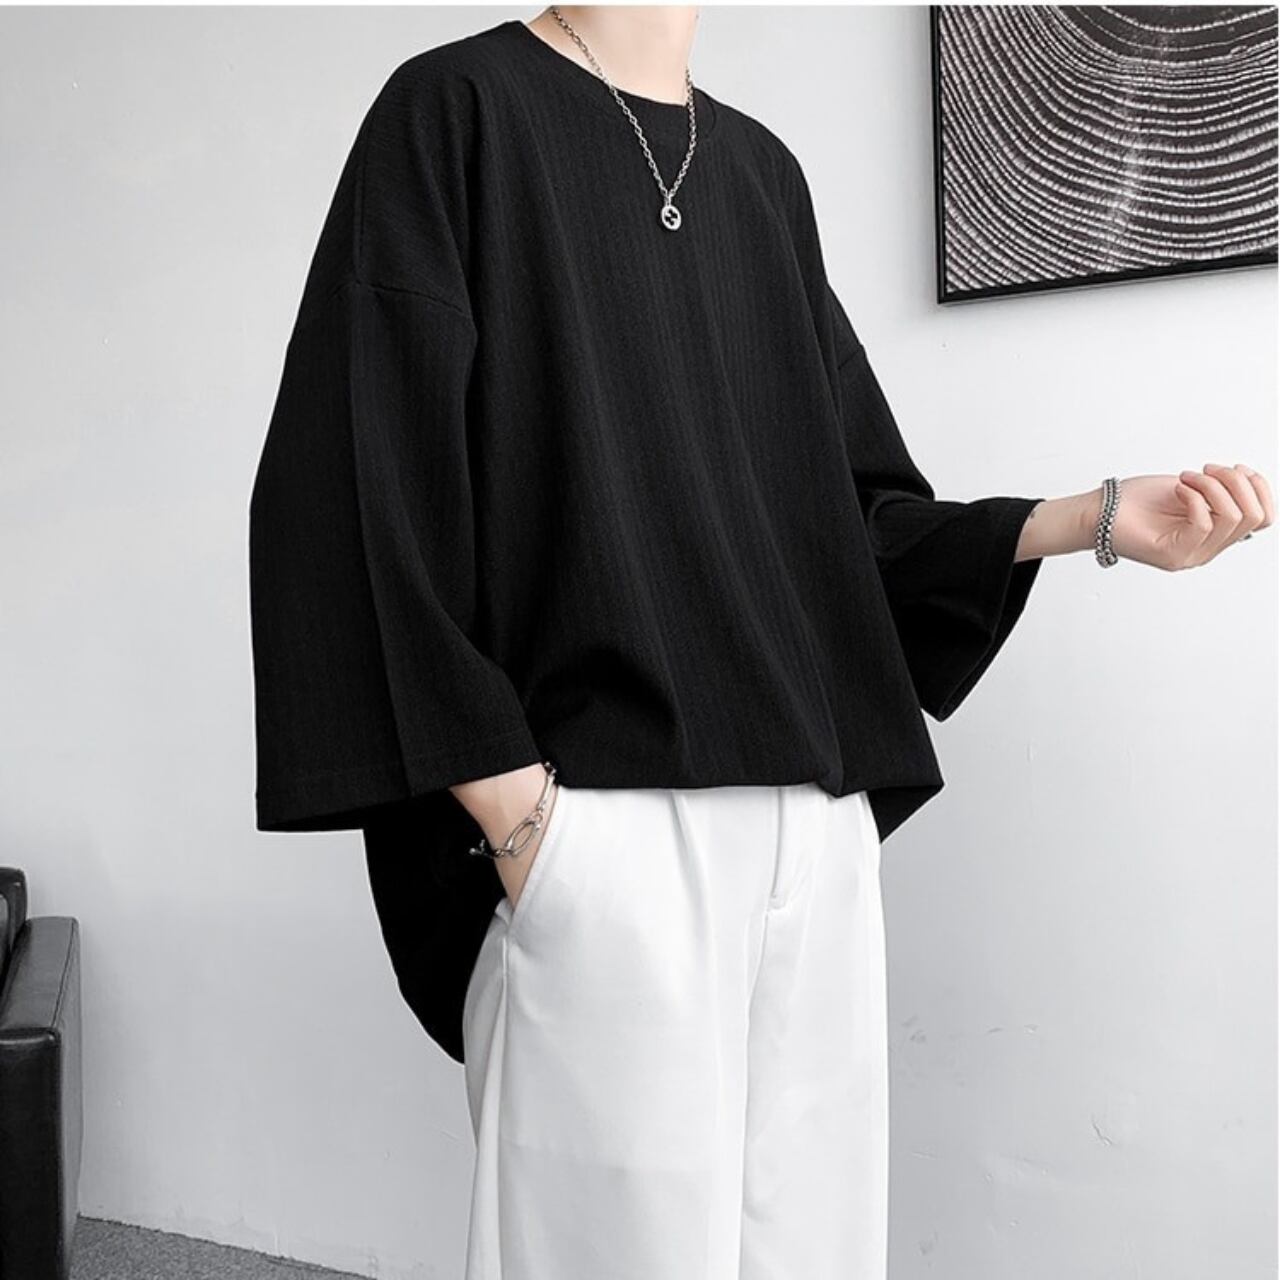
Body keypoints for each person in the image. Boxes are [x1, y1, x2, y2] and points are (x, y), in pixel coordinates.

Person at [247, 7, 1272, 1277]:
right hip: (600, 831)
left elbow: (843, 516)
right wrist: (524, 826)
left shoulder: (759, 174)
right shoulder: (455, 111)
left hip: (812, 832)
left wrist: (1093, 517)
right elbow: (355, 482)